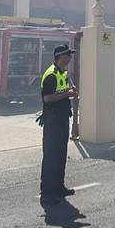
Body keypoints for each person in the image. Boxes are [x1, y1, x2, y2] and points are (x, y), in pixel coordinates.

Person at [39, 44, 77, 204]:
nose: (70, 58)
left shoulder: (63, 73)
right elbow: (47, 98)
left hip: (62, 118)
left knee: (61, 154)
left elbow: (59, 92)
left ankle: (59, 186)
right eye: (68, 55)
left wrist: (69, 90)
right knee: (51, 155)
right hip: (52, 119)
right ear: (60, 56)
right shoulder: (51, 74)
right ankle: (48, 191)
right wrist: (67, 93)